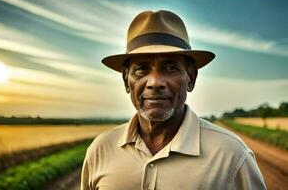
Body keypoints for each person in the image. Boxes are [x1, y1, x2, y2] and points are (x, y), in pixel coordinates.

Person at [80, 10, 266, 190]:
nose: (154, 82)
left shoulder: (231, 155)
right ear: (126, 80)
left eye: (170, 68)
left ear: (191, 78)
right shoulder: (100, 149)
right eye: (141, 69)